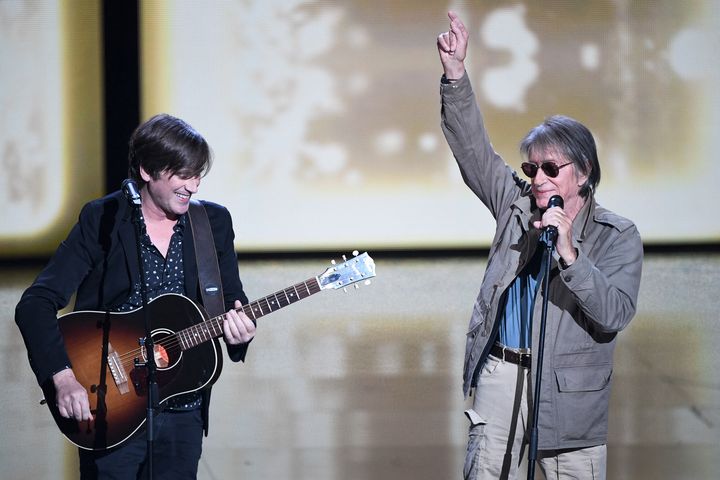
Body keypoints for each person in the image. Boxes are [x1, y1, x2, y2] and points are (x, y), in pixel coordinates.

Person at [437, 11, 643, 480]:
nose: (539, 179)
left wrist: (570, 254)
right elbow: (474, 151)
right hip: (503, 376)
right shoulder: (515, 204)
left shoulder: (618, 235)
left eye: (552, 168)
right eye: (532, 170)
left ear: (583, 172)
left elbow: (614, 313)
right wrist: (455, 76)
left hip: (570, 391)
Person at [15, 113, 257, 479]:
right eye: (183, 175)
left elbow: (231, 303)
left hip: (182, 405)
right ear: (147, 170)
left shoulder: (213, 223)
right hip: (109, 404)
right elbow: (35, 303)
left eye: (198, 175)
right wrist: (62, 378)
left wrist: (242, 333)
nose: (193, 186)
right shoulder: (104, 219)